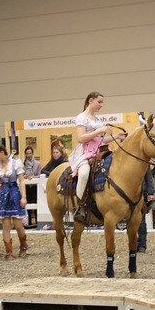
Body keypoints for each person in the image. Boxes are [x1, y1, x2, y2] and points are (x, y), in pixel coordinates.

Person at [68, 92, 112, 222]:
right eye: (99, 102)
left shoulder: (97, 120)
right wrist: (100, 130)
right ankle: (79, 206)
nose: (101, 105)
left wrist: (116, 137)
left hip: (99, 150)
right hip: (84, 152)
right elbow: (81, 138)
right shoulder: (82, 117)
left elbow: (100, 140)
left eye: (102, 102)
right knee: (83, 174)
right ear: (90, 100)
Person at [0, 144, 28, 259]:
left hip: (14, 193)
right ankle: (9, 252)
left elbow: (21, 180)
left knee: (18, 224)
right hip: (2, 195)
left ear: (2, 152)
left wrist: (23, 196)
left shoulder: (16, 163)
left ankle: (23, 246)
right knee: (5, 225)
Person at [137, 166, 155, 253]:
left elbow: (149, 177)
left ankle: (142, 244)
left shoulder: (144, 162)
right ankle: (134, 243)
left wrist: (150, 192)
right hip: (130, 194)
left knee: (141, 220)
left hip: (142, 193)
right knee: (131, 221)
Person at [21, 146, 42, 228]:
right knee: (28, 203)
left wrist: (32, 177)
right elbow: (21, 174)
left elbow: (40, 175)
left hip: (34, 186)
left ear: (32, 153)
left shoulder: (37, 163)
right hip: (26, 187)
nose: (28, 155)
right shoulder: (23, 164)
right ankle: (28, 222)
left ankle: (37, 222)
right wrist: (25, 176)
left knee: (35, 203)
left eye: (30, 153)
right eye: (27, 153)